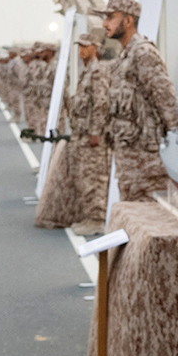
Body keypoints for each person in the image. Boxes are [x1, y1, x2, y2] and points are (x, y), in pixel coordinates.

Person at [101, 0, 178, 202]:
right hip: (128, 156)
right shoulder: (124, 57)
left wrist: (175, 146)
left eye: (111, 17)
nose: (105, 23)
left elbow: (165, 100)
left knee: (149, 216)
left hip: (146, 161)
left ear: (128, 21)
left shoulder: (143, 53)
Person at [69, 33, 112, 236]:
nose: (81, 51)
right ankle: (89, 216)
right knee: (85, 176)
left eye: (85, 47)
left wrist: (96, 132)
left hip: (92, 136)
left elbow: (100, 103)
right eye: (79, 47)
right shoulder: (86, 71)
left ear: (95, 48)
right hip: (82, 134)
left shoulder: (97, 71)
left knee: (95, 177)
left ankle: (97, 219)